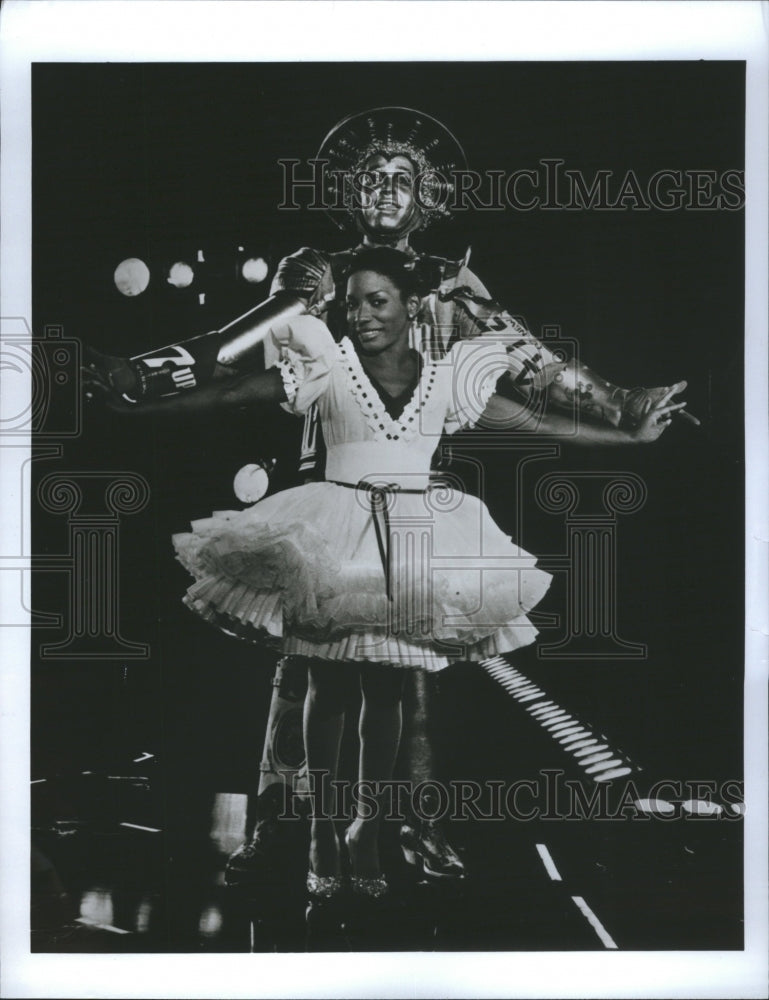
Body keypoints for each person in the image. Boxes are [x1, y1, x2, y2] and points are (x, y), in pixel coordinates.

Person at [86, 108, 692, 886]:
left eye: (400, 181)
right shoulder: (314, 269)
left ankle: (407, 824)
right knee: (302, 667)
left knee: (406, 669)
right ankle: (285, 826)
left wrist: (618, 404)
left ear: (425, 197)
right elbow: (240, 345)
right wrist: (148, 373)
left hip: (418, 483)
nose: (382, 192)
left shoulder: (452, 281)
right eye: (370, 179)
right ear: (349, 191)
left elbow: (530, 366)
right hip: (326, 477)